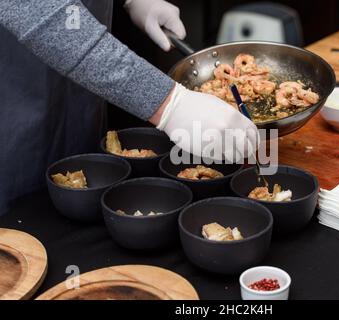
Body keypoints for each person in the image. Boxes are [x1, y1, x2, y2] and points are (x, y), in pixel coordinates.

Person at [0, 0, 258, 215]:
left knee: (83, 189)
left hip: (80, 96)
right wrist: (168, 103)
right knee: (26, 222)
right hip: (16, 107)